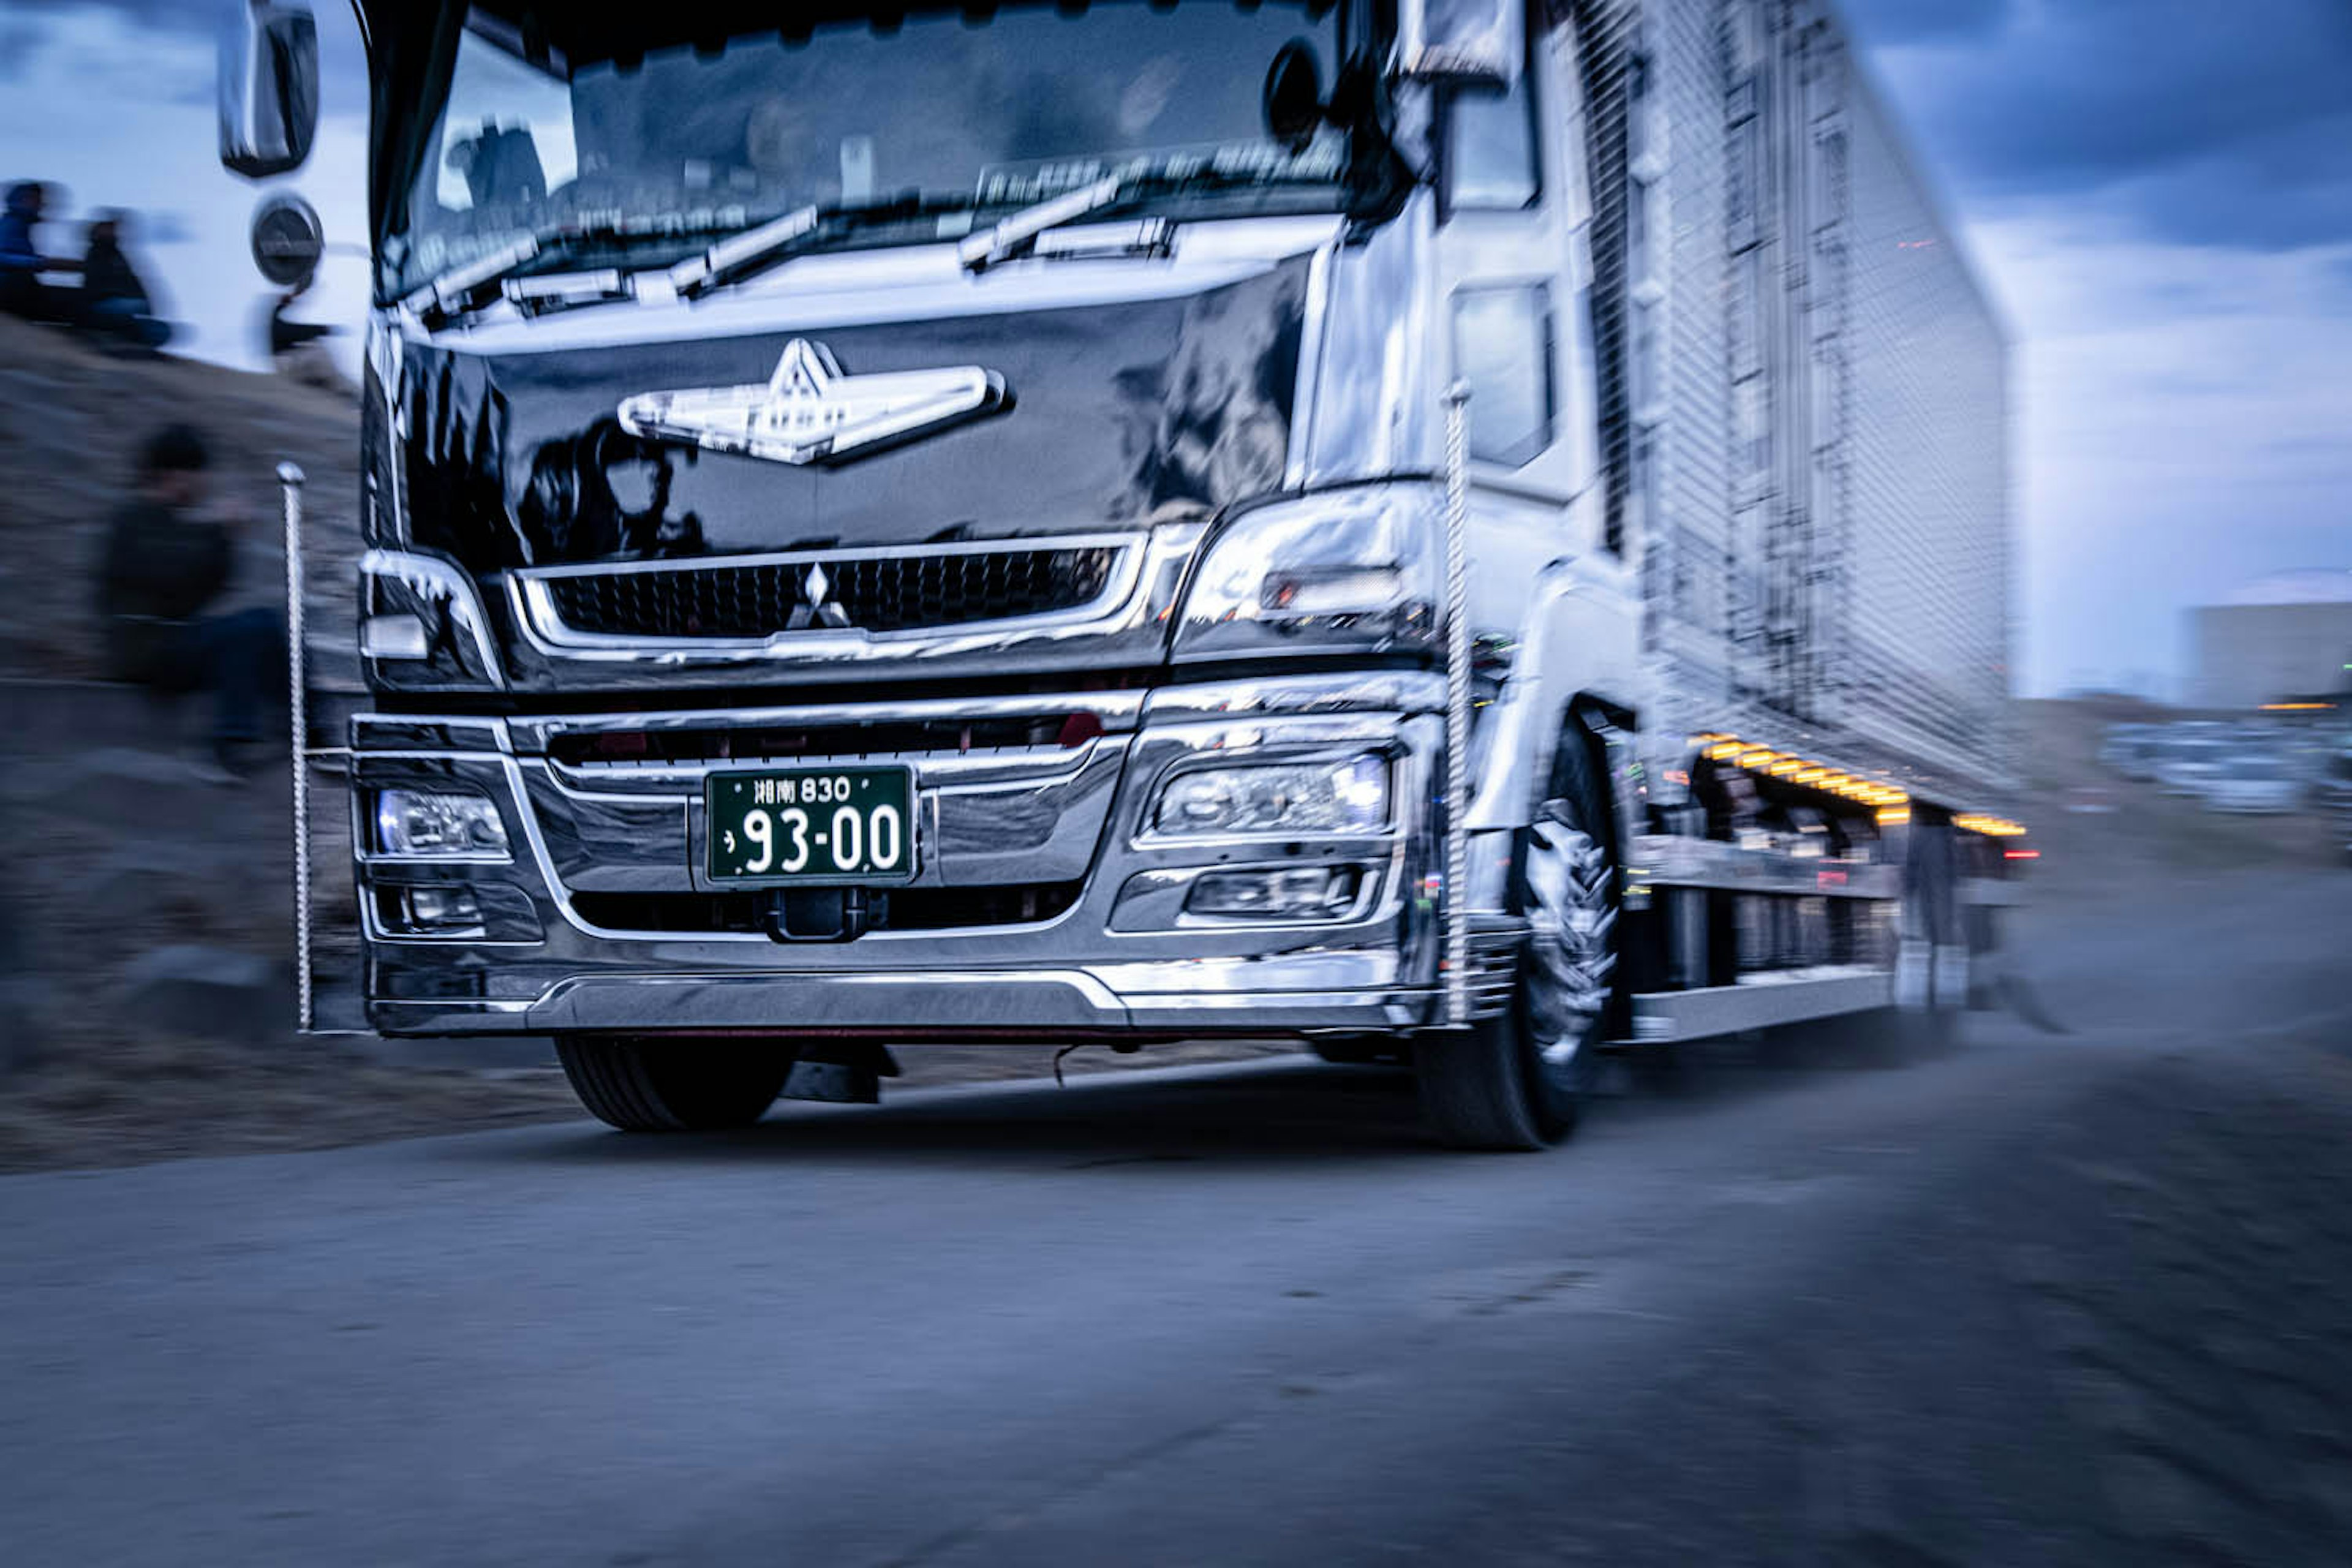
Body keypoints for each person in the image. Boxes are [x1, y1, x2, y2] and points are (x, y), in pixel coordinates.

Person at [95, 426, 282, 776]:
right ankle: (232, 741)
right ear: (173, 474)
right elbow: (172, 575)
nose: (204, 483)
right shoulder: (133, 522)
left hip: (171, 643)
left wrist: (225, 539)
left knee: (266, 623)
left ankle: (299, 729)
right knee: (245, 632)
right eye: (197, 473)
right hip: (145, 655)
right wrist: (218, 532)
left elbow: (202, 590)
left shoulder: (169, 524)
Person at [77, 211, 172, 353]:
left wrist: (146, 304)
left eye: (115, 228)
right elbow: (97, 284)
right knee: (134, 307)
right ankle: (112, 336)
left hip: (123, 311)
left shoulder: (118, 255)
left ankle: (128, 340)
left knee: (162, 330)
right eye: (110, 227)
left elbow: (134, 282)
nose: (115, 231)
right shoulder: (97, 252)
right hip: (100, 307)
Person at [0, 181, 82, 323]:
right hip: (10, 289)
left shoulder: (21, 226)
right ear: (22, 200)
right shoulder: (12, 223)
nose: (41, 205)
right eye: (36, 200)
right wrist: (41, 263)